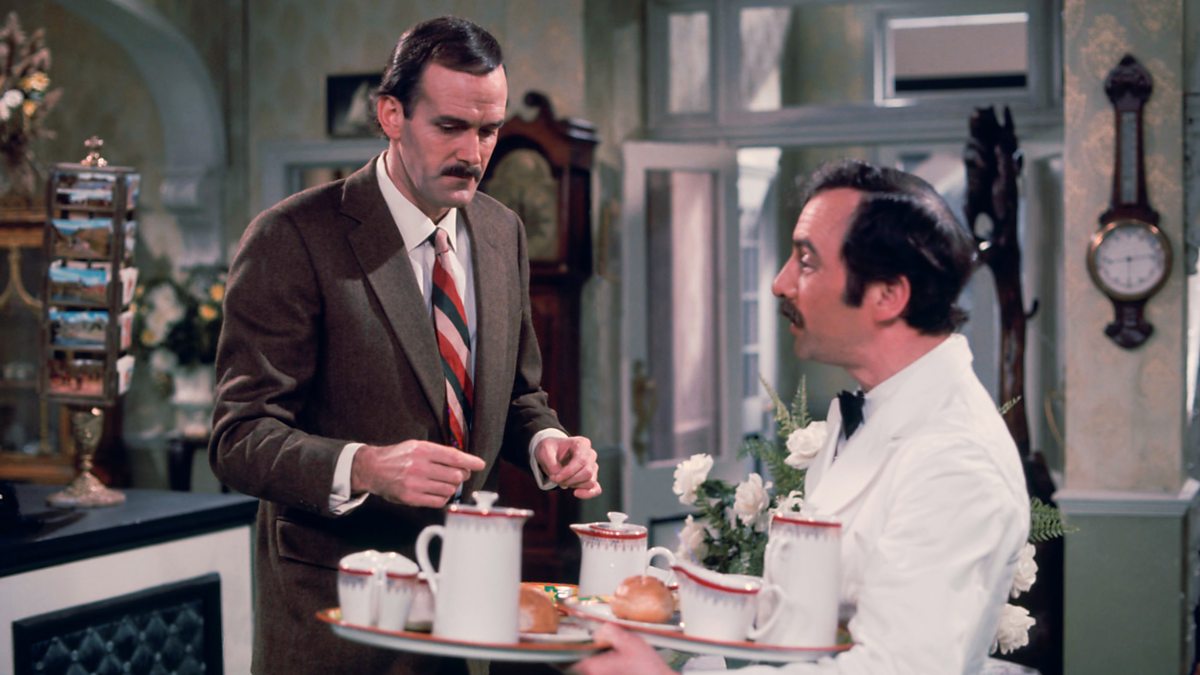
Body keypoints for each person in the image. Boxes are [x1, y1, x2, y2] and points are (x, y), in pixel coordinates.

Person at [210, 16, 601, 675]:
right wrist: (366, 466)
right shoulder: (294, 237)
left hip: (462, 612)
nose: (473, 152)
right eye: (450, 126)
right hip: (336, 617)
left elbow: (516, 393)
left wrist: (545, 441)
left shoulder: (501, 231)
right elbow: (238, 438)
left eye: (489, 130)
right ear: (391, 114)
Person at [574, 159, 1029, 675]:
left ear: (887, 295)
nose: (779, 283)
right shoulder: (871, 416)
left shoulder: (955, 459)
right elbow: (811, 617)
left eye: (806, 262)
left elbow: (896, 667)